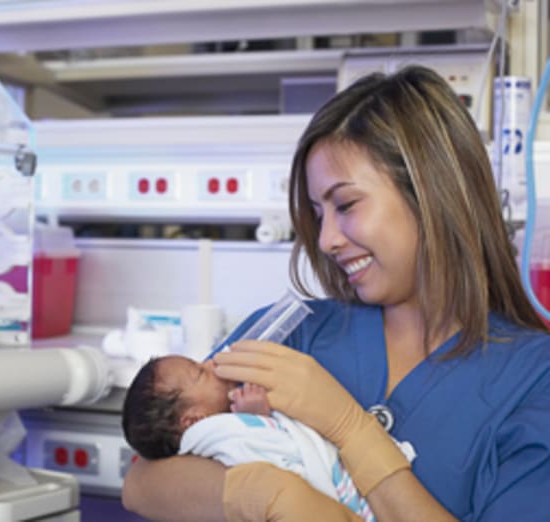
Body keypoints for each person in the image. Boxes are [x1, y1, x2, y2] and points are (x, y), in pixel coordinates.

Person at [122, 64, 550, 521]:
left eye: (345, 205)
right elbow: (145, 482)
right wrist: (273, 495)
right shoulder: (293, 331)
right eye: (316, 212)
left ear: (431, 192)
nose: (326, 240)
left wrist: (350, 429)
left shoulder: (533, 378)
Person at [122, 355, 412, 521]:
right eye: (200, 372)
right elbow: (274, 454)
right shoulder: (221, 433)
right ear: (193, 420)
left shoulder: (219, 412)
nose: (211, 362)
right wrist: (259, 419)